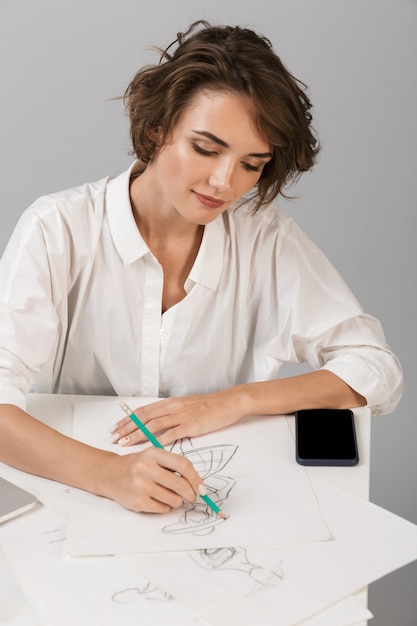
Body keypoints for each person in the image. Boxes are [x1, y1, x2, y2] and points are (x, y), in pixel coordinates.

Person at [0, 21, 403, 514]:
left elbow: (376, 369)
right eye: (206, 149)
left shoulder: (266, 240)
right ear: (157, 127)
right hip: (76, 500)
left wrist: (236, 401)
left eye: (251, 164)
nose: (223, 181)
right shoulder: (57, 228)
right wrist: (108, 473)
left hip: (217, 505)